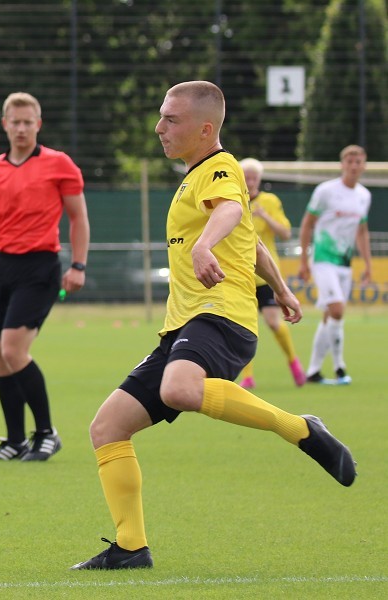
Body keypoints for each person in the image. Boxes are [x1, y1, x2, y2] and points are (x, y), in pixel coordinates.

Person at [71, 81, 356, 571]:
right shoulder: (196, 176)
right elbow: (251, 239)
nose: (159, 127)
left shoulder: (220, 168)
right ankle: (131, 548)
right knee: (107, 427)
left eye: (171, 120)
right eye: (161, 117)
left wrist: (204, 246)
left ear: (205, 129)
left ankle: (301, 429)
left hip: (219, 315)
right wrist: (283, 289)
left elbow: (228, 211)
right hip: (184, 325)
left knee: (181, 388)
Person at [0, 92, 90, 462]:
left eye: (28, 122)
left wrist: (78, 265)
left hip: (41, 266)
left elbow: (78, 218)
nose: (21, 128)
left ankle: (46, 433)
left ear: (38, 125)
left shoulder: (60, 164)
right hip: (4, 266)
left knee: (13, 349)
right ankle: (15, 440)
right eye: (15, 122)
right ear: (5, 124)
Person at [298, 145, 372, 385]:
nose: (353, 165)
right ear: (342, 164)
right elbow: (307, 223)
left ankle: (313, 371)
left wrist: (368, 264)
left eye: (358, 161)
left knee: (330, 315)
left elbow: (362, 231)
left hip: (344, 262)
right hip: (322, 258)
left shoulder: (364, 195)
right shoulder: (326, 191)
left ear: (364, 165)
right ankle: (340, 367)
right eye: (349, 161)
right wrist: (303, 261)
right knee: (338, 310)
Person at [236, 158, 306, 389]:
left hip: (265, 274)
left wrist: (265, 217)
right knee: (243, 326)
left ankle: (294, 363)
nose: (251, 181)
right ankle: (247, 376)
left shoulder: (269, 201)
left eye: (254, 177)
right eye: (247, 176)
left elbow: (285, 232)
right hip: (240, 274)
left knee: (274, 323)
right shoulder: (233, 200)